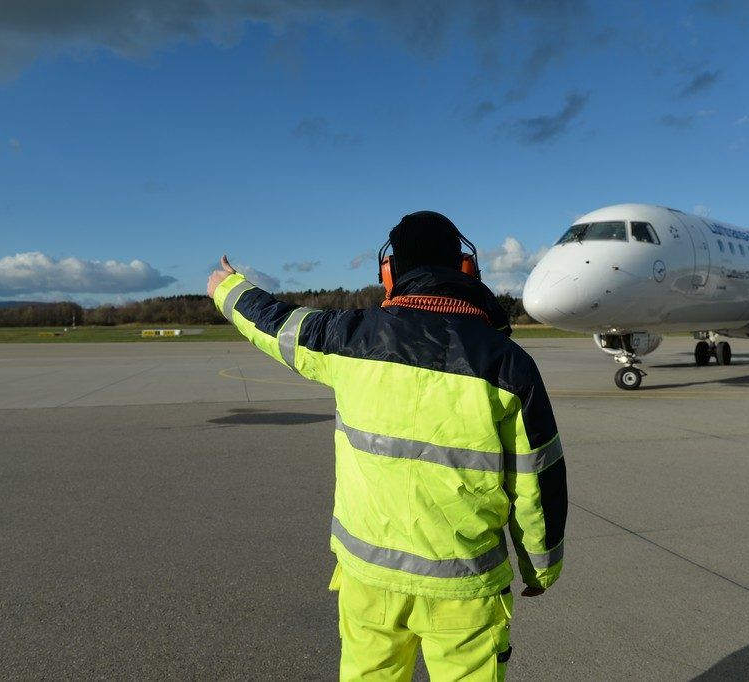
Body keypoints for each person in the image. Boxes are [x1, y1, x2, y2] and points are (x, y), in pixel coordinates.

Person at [207, 211, 567, 681]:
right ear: (465, 270)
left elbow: (276, 324)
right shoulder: (508, 365)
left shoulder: (347, 338)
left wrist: (227, 288)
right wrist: (541, 568)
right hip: (466, 587)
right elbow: (538, 479)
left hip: (370, 579)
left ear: (389, 273)